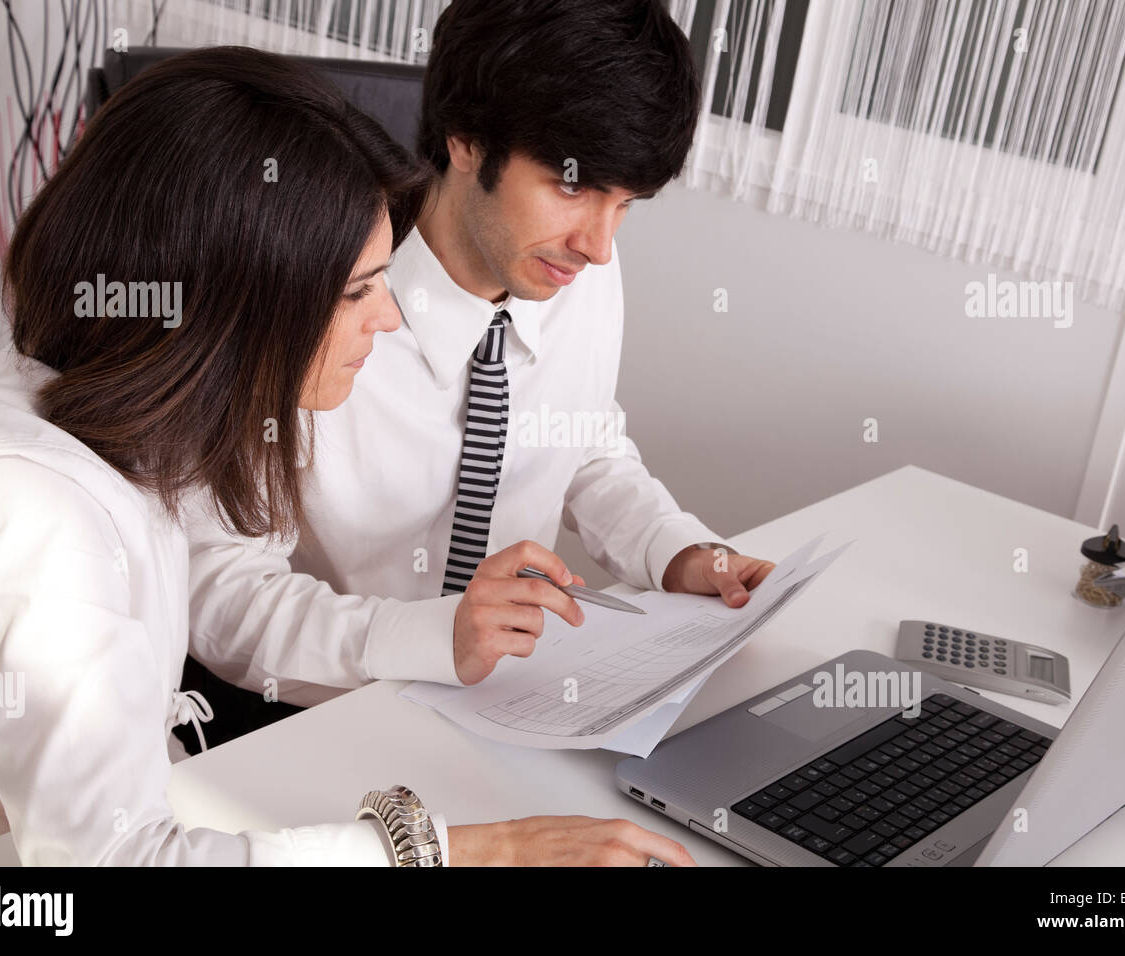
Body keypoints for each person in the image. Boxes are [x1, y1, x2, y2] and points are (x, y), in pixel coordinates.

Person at [0, 46, 694, 867]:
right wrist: (477, 852)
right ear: (235, 303)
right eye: (359, 290)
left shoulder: (102, 420)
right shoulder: (43, 517)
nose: (390, 320)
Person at [183, 0, 778, 720]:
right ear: (466, 142)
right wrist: (431, 641)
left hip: (507, 702)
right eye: (572, 186)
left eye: (627, 204)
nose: (599, 244)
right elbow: (222, 594)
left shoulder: (572, 269)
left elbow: (583, 444)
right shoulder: (316, 296)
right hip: (315, 711)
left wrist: (675, 553)